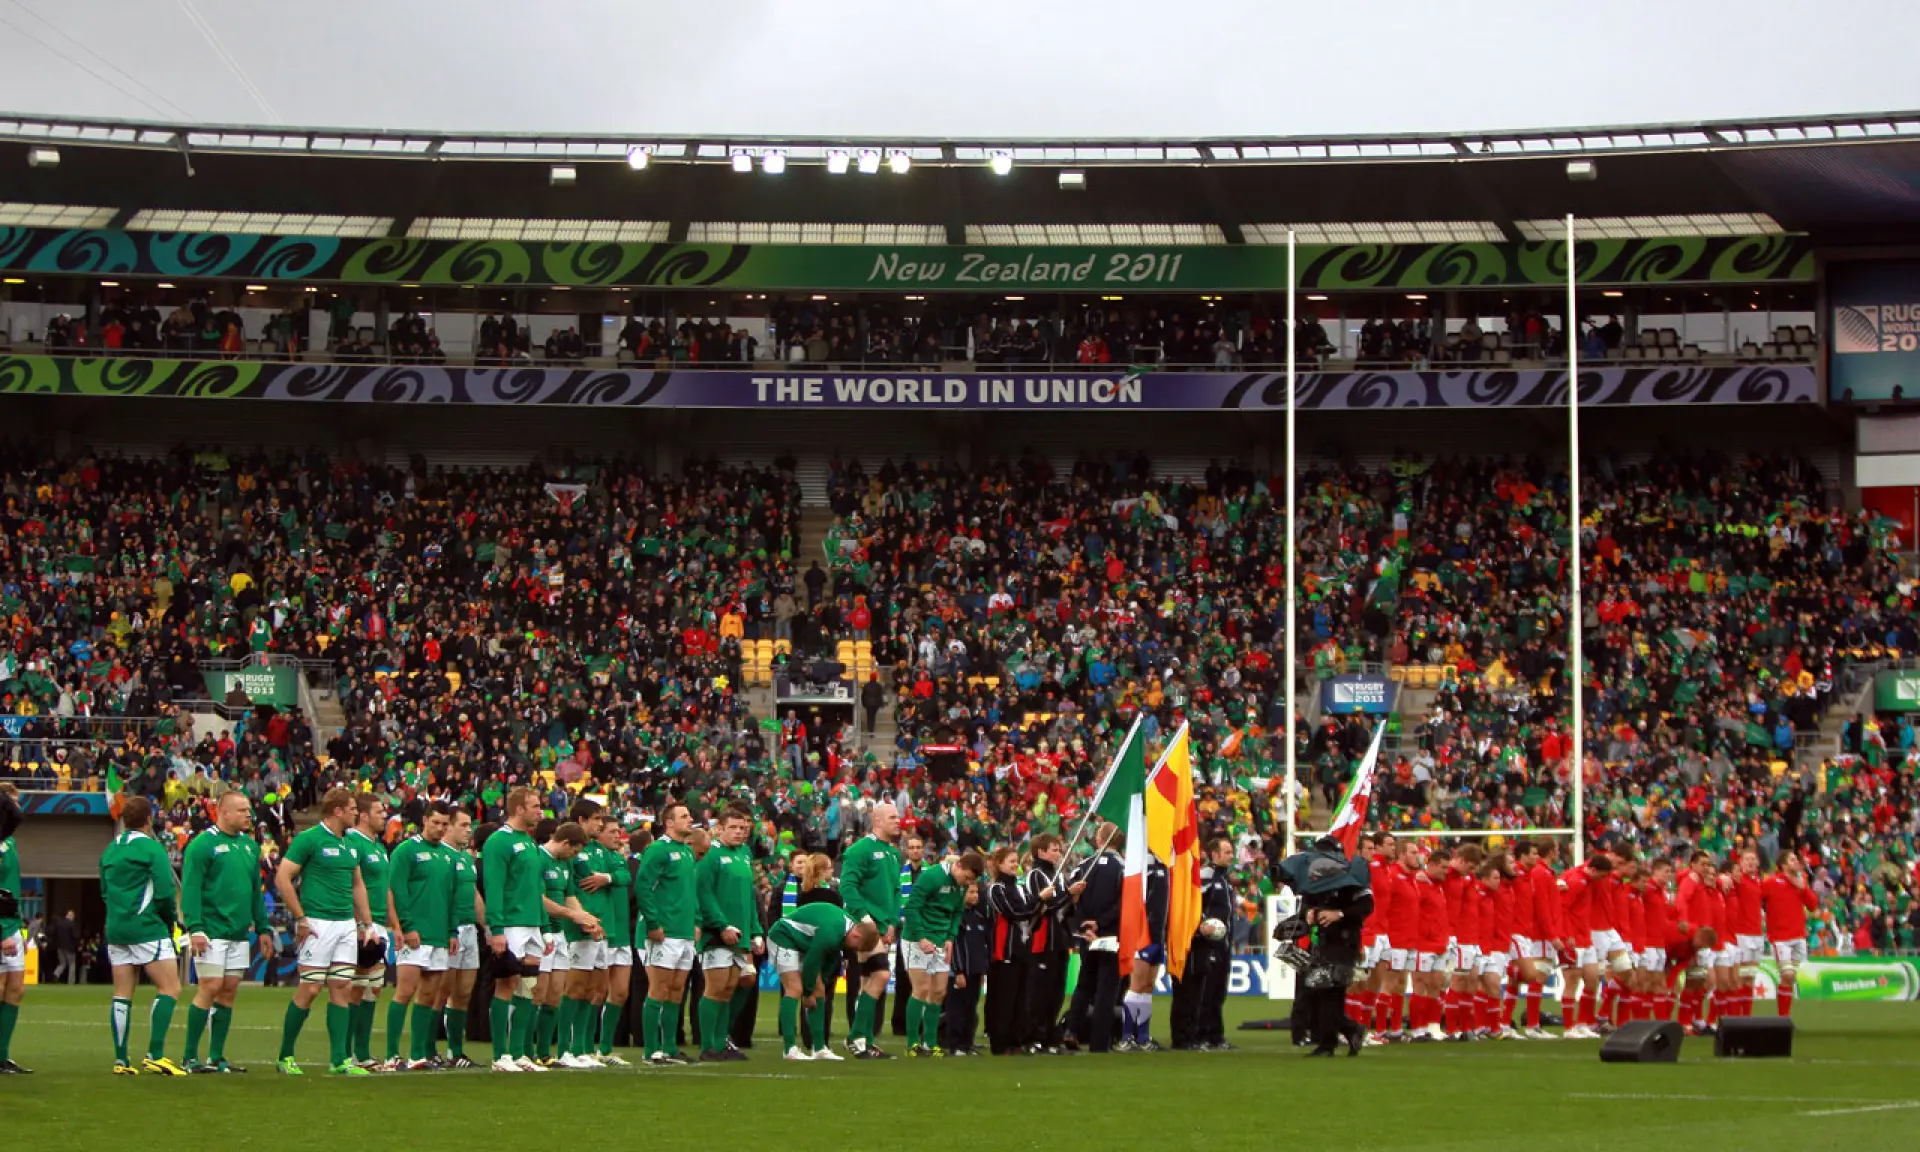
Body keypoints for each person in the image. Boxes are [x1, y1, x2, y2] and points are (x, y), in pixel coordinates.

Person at [274, 786, 375, 1076]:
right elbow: (283, 876)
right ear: (338, 811)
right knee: (311, 988)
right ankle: (285, 1056)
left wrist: (366, 924)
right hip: (317, 922)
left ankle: (339, 1060)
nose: (357, 813)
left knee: (341, 988)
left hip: (345, 924)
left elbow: (357, 885)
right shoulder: (310, 839)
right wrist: (300, 917)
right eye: (354, 808)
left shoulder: (352, 844)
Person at [179, 790, 273, 1073]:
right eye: (242, 810)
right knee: (209, 987)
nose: (249, 815)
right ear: (224, 812)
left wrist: (264, 927)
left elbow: (255, 891)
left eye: (248, 810)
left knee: (229, 990)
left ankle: (216, 1057)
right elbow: (191, 888)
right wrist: (194, 927)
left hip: (238, 932)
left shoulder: (250, 847)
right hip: (211, 930)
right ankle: (189, 1057)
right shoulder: (202, 845)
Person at [100, 796, 188, 1076]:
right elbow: (163, 892)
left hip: (116, 929)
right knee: (170, 987)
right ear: (149, 820)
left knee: (122, 993)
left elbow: (104, 892)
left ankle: (121, 1060)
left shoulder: (110, 850)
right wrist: (170, 922)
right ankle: (155, 1054)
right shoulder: (152, 849)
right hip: (147, 927)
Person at [481, 785, 551, 1073]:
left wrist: (545, 926)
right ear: (519, 809)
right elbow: (493, 887)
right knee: (506, 984)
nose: (541, 811)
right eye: (535, 806)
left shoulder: (530, 842)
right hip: (510, 924)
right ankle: (501, 1055)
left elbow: (537, 888)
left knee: (528, 988)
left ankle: (521, 1052)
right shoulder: (499, 841)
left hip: (532, 924)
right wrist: (496, 929)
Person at [386, 800, 457, 1070]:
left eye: (444, 825)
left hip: (439, 935)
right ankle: (392, 1055)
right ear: (425, 821)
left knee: (428, 996)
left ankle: (417, 1055)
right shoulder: (406, 850)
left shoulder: (447, 856)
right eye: (436, 823)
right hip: (415, 934)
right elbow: (396, 890)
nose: (440, 829)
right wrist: (406, 925)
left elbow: (449, 897)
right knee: (404, 992)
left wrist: (451, 930)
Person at [901, 848, 986, 1056]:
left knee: (939, 991)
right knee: (920, 989)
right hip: (917, 938)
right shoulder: (932, 876)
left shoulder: (959, 885)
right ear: (958, 866)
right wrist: (920, 936)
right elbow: (912, 907)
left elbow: (957, 912)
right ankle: (913, 1043)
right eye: (966, 877)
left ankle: (931, 1043)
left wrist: (949, 937)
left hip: (940, 939)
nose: (966, 883)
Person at [695, 802, 763, 1062]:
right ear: (719, 828)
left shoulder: (744, 854)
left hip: (740, 934)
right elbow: (704, 894)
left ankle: (721, 1042)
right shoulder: (710, 855)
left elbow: (748, 896)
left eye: (743, 828)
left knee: (730, 988)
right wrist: (722, 925)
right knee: (715, 987)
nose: (739, 832)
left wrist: (755, 931)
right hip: (717, 933)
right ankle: (707, 1046)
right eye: (733, 827)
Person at [769, 900, 878, 1061]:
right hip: (783, 936)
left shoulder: (847, 930)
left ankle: (819, 1048)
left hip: (803, 943)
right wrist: (807, 994)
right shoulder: (832, 931)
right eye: (857, 947)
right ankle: (789, 1049)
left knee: (819, 988)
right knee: (795, 988)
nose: (854, 951)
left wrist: (817, 987)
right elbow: (813, 962)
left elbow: (828, 961)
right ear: (857, 935)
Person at [839, 801, 904, 1058]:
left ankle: (862, 1039)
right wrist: (865, 919)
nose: (898, 821)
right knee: (881, 976)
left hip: (883, 924)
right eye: (892, 817)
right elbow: (848, 886)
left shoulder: (893, 853)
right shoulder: (860, 850)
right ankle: (857, 1037)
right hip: (864, 924)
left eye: (898, 817)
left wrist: (891, 922)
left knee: (868, 980)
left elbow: (895, 891)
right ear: (877, 821)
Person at [636, 800, 698, 1065]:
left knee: (676, 991)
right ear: (669, 822)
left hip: (684, 931)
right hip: (664, 931)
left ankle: (670, 1048)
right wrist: (653, 923)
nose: (689, 819)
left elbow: (689, 892)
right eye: (683, 816)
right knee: (658, 989)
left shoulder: (686, 851)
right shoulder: (658, 850)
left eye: (689, 815)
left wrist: (695, 921)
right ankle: (651, 1050)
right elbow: (643, 886)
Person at [538, 821, 601, 1068]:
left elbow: (569, 895)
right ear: (565, 843)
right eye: (574, 851)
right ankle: (522, 1051)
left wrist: (586, 917)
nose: (574, 857)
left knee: (555, 995)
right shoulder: (538, 859)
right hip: (541, 931)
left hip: (559, 933)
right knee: (537, 994)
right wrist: (573, 915)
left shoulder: (563, 863)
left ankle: (545, 1054)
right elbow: (538, 897)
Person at [558, 801, 614, 1068]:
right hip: (579, 927)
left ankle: (581, 1047)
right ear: (581, 820)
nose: (600, 824)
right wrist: (582, 919)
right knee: (575, 988)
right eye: (595, 819)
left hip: (597, 925)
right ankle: (565, 1048)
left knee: (593, 989)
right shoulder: (569, 852)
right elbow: (570, 891)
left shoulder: (597, 850)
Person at [1064, 822, 1125, 1054]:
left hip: (1087, 936)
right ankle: (1100, 1042)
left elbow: (1071, 897)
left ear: (1100, 840)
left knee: (1084, 985)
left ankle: (1072, 1030)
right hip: (1111, 935)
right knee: (1106, 988)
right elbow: (1125, 903)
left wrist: (1084, 925)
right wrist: (1102, 923)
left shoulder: (1084, 866)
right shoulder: (1123, 867)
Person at [1019, 833, 1083, 1053]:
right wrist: (1068, 895)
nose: (1058, 853)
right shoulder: (1036, 875)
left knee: (1056, 991)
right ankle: (1034, 1036)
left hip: (1059, 939)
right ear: (1041, 852)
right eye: (1054, 849)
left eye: (1058, 849)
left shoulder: (1057, 874)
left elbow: (1063, 908)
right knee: (1039, 991)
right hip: (1042, 940)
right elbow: (1046, 906)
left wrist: (1072, 898)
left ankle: (1049, 1034)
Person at [346, 793, 392, 1068]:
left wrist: (393, 924)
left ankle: (362, 1053)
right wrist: (360, 923)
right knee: (354, 988)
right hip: (360, 923)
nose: (384, 815)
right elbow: (351, 884)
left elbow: (385, 889)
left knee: (372, 989)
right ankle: (347, 1051)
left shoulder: (378, 847)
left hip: (378, 923)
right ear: (363, 815)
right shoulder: (354, 842)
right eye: (379, 811)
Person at [437, 806, 485, 1068]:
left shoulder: (467, 858)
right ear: (449, 826)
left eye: (470, 825)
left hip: (469, 929)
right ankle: (428, 1050)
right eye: (464, 825)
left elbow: (474, 894)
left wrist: (487, 925)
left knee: (463, 993)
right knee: (441, 990)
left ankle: (455, 1051)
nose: (469, 830)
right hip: (448, 930)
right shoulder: (440, 855)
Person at [586, 817, 634, 1064]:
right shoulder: (592, 854)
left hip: (622, 933)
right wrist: (609, 877)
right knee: (597, 991)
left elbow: (625, 877)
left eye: (620, 831)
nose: (618, 836)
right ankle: (584, 1047)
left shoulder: (617, 857)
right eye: (613, 832)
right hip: (604, 931)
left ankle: (604, 1049)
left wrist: (608, 878)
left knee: (621, 992)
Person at [982, 847, 1036, 1055]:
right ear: (999, 864)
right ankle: (1000, 1043)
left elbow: (1030, 915)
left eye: (1016, 861)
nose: (1015, 865)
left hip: (1022, 949)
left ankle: (1016, 1041)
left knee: (1020, 998)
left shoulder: (1021, 888)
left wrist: (1035, 905)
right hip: (1003, 951)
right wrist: (1038, 900)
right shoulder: (996, 889)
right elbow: (1015, 912)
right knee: (1003, 999)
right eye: (1010, 861)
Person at [1762, 851, 1816, 1018]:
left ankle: (1784, 1017)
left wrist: (1804, 888)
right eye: (1792, 860)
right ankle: (1783, 1018)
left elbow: (1813, 905)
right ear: (1784, 865)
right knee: (1787, 974)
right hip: (1781, 939)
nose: (1796, 862)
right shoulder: (1771, 882)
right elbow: (1756, 897)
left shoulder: (1801, 882)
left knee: (1789, 978)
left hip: (1799, 937)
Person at [943, 871, 991, 1056]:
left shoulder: (978, 917)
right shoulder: (957, 918)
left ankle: (967, 1043)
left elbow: (982, 946)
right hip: (960, 972)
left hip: (975, 972)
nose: (975, 896)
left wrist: (982, 970)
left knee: (971, 1008)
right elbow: (954, 946)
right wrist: (958, 971)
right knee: (957, 1009)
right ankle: (955, 1045)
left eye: (976, 893)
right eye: (971, 892)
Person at [0, 784, 26, 1074]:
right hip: (1, 927)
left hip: (12, 922)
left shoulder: (11, 842)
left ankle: (3, 1055)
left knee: (15, 989)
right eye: (15, 803)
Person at [890, 832, 926, 1039]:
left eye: (918, 847)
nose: (914, 851)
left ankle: (920, 1023)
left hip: (925, 929)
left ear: (923, 849)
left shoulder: (931, 872)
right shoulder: (898, 873)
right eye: (911, 847)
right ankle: (900, 1023)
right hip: (904, 929)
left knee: (922, 978)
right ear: (906, 850)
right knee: (903, 978)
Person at [50, 911, 78, 985]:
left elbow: (53, 933)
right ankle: (71, 981)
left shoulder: (59, 923)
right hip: (69, 947)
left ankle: (56, 974)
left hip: (60, 946)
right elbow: (75, 936)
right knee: (72, 964)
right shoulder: (71, 924)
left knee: (62, 963)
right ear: (71, 916)